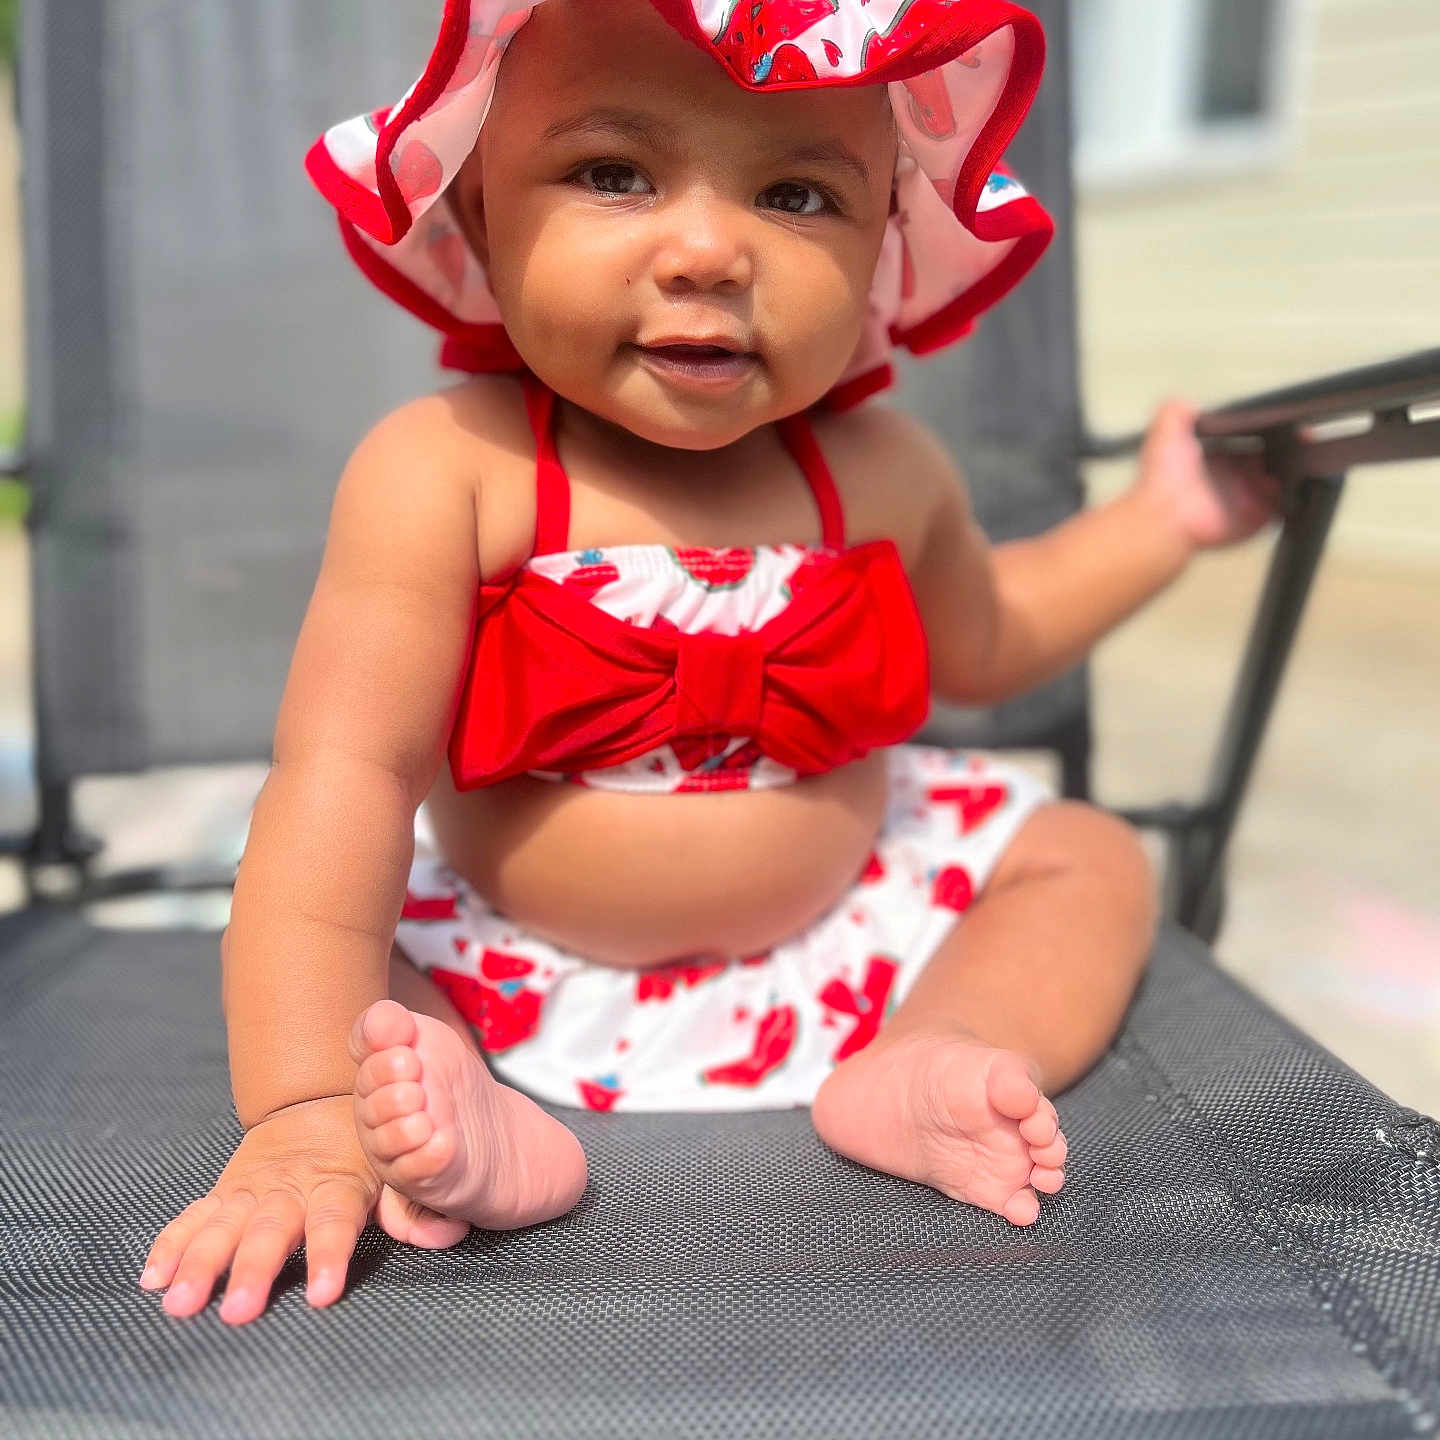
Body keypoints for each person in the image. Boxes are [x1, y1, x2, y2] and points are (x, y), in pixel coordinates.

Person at [139, 0, 1281, 1327]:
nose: (708, 249)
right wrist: (301, 1111)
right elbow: (345, 772)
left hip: (849, 936)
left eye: (797, 194)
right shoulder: (454, 471)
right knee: (337, 933)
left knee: (1086, 855)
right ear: (482, 213)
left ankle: (938, 1050)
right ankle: (465, 1110)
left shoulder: (881, 473)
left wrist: (1162, 524)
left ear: (882, 246)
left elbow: (998, 632)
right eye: (615, 173)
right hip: (515, 956)